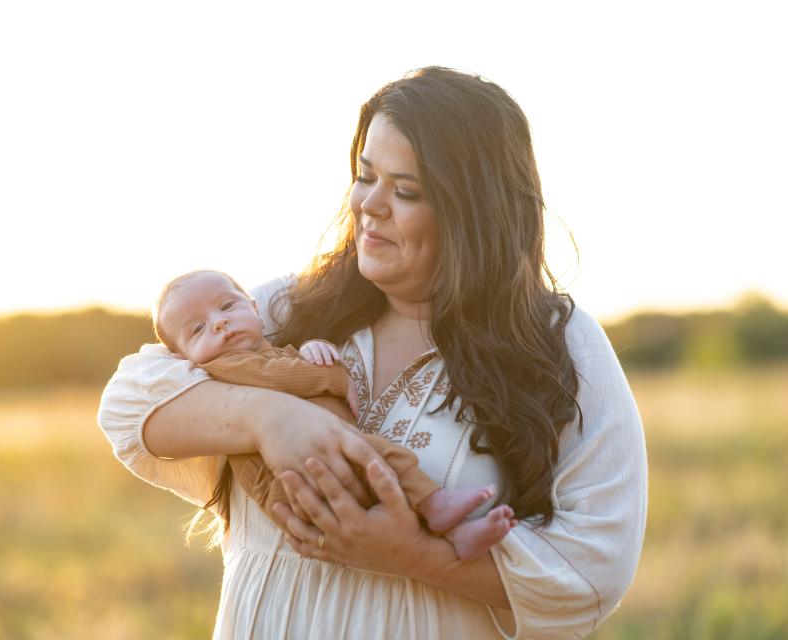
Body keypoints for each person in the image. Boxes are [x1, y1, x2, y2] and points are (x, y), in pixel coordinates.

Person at [98, 66, 647, 639]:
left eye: (406, 191)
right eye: (365, 177)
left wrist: (414, 555)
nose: (370, 205)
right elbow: (127, 406)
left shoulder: (558, 343)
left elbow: (594, 567)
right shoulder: (284, 310)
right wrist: (271, 417)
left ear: (474, 214)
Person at [152, 268, 517, 559]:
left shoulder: (271, 352)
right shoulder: (224, 368)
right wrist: (336, 377)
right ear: (185, 358)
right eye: (197, 329)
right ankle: (438, 511)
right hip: (293, 484)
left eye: (228, 307)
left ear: (253, 306)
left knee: (382, 467)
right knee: (381, 464)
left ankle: (452, 528)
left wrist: (314, 347)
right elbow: (289, 377)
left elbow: (288, 367)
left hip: (329, 455)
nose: (218, 322)